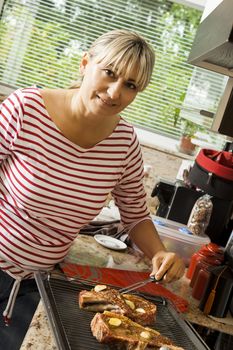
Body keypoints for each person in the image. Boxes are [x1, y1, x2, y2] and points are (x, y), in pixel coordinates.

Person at [0, 28, 185, 342]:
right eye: (109, 73)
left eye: (130, 85)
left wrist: (160, 253)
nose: (115, 93)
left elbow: (136, 215)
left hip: (38, 284)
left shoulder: (124, 144)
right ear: (86, 63)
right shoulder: (26, 109)